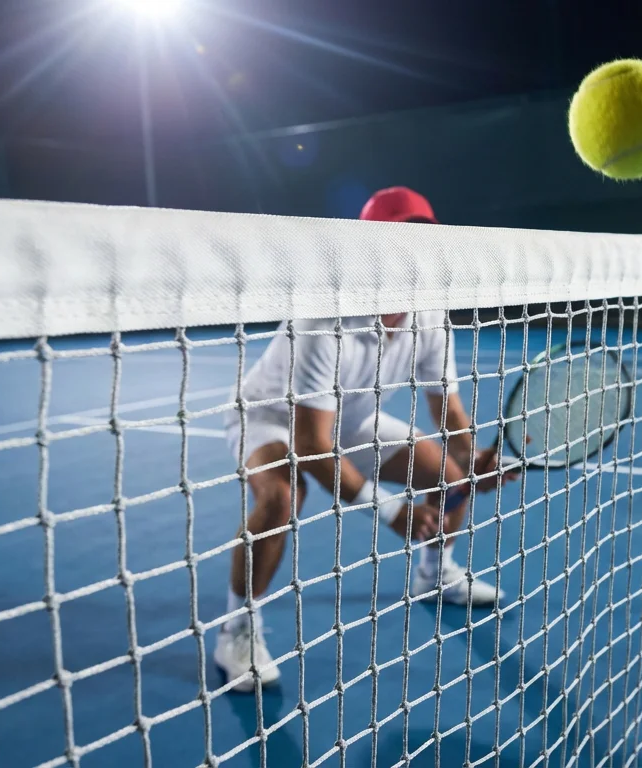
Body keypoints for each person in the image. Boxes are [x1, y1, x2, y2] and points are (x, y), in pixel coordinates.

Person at [215, 186, 519, 692]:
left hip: (351, 418)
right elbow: (311, 443)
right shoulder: (323, 315)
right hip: (271, 417)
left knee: (447, 474)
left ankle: (434, 572)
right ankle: (237, 628)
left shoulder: (427, 314)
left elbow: (448, 409)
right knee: (284, 495)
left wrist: (474, 458)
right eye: (398, 241)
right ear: (369, 248)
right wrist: (390, 509)